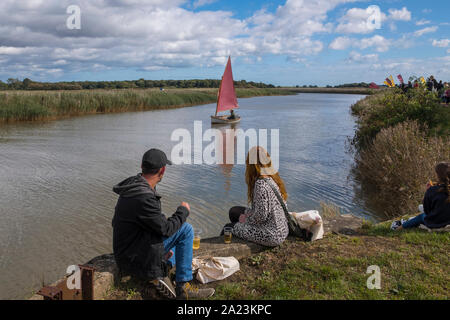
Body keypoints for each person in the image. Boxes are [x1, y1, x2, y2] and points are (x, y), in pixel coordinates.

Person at [112, 149, 215, 299]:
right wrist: (183, 211)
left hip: (128, 251)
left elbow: (155, 225)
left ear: (142, 166)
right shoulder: (144, 196)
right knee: (185, 230)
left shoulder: (134, 186)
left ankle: (163, 267)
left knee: (179, 245)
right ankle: (184, 288)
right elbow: (165, 229)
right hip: (133, 259)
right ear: (162, 170)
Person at [224, 146, 289, 247]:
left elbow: (260, 217)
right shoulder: (273, 178)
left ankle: (224, 253)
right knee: (234, 211)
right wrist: (245, 217)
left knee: (228, 228)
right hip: (281, 229)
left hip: (271, 235)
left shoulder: (260, 184)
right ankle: (241, 232)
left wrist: (244, 220)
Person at [392, 162, 450, 230]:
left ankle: (398, 228)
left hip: (436, 223)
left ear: (438, 175)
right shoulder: (436, 189)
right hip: (448, 221)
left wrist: (429, 190)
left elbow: (427, 210)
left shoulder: (432, 190)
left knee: (421, 216)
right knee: (421, 208)